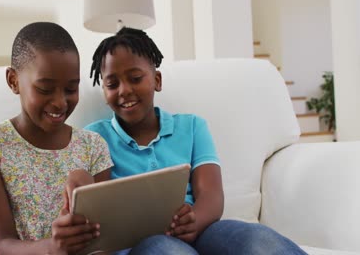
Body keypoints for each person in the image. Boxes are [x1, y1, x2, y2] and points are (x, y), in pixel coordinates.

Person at [85, 27, 308, 255]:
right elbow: (93, 213)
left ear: (157, 80)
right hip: (140, 244)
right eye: (112, 84)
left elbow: (211, 194)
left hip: (202, 231)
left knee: (257, 238)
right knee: (166, 250)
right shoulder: (93, 139)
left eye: (135, 78)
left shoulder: (191, 127)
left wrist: (196, 219)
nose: (124, 90)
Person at [0, 22, 113, 255]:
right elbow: (3, 244)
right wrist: (53, 248)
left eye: (71, 89)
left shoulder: (93, 147)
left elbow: (100, 242)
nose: (60, 102)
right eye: (45, 89)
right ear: (13, 81)